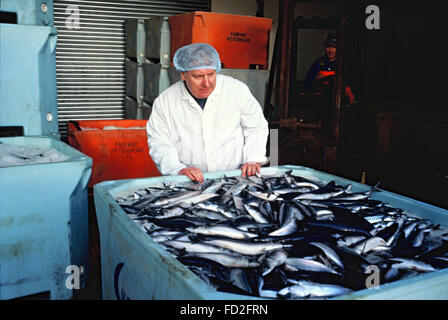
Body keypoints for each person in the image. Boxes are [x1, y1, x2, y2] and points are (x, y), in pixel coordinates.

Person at [146, 43, 269, 183]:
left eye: (211, 74)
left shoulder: (237, 90)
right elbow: (159, 141)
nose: (206, 83)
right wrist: (176, 169)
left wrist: (253, 159)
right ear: (183, 75)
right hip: (189, 181)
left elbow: (256, 127)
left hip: (235, 177)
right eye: (198, 76)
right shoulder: (165, 101)